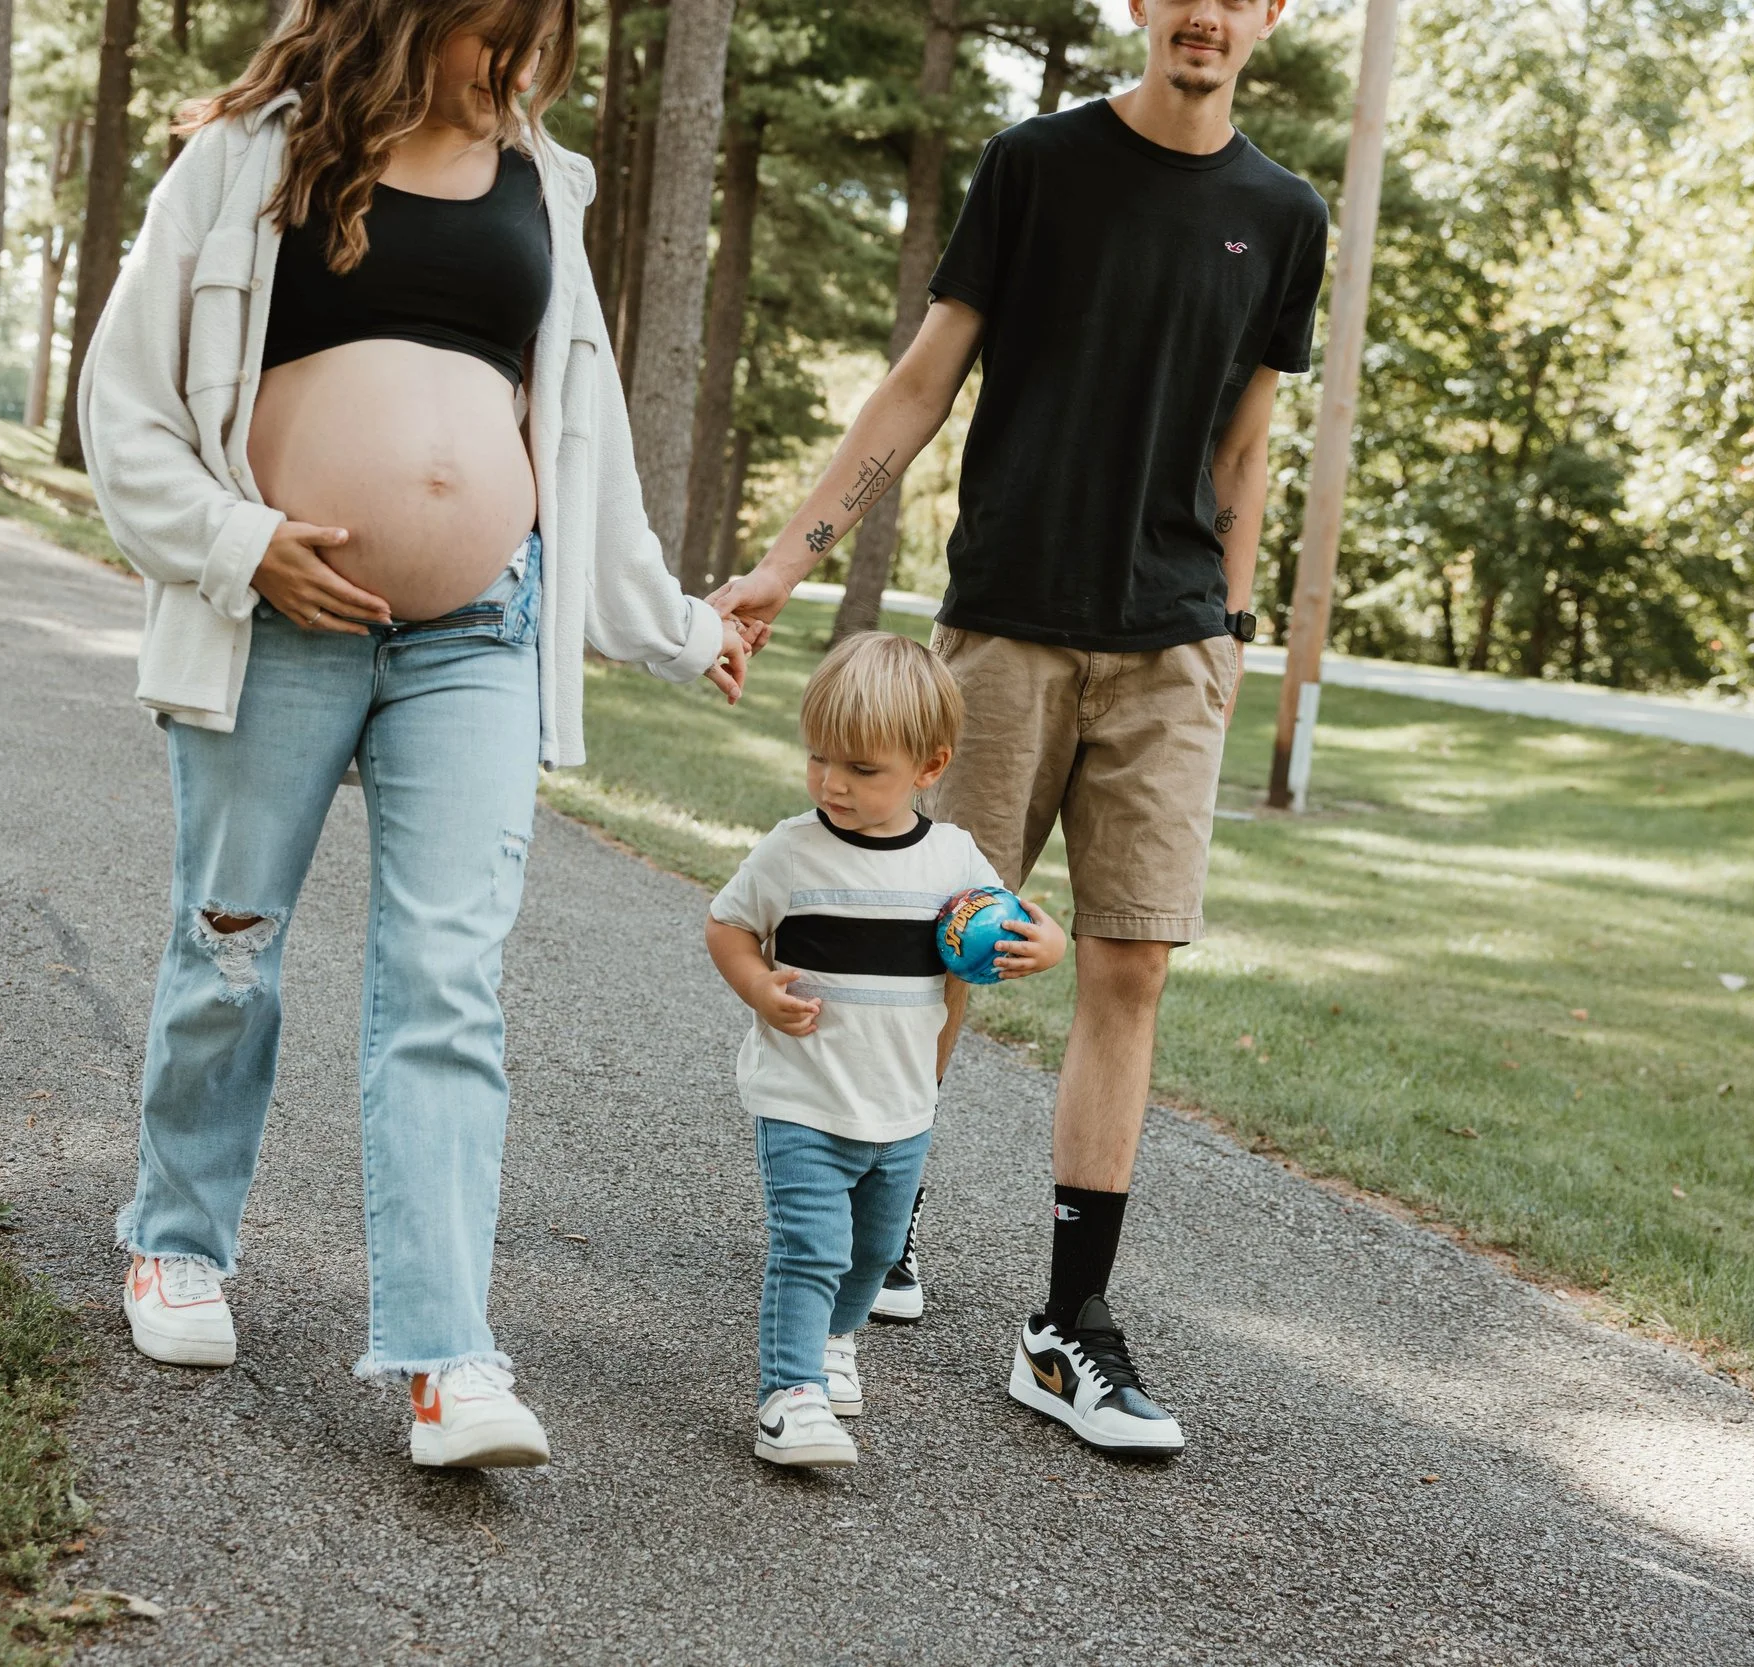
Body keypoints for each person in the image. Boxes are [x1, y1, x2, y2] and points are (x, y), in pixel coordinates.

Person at [77, 0, 749, 1470]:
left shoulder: (542, 184)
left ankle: (448, 1350)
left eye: (534, 29)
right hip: (282, 615)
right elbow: (120, 405)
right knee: (232, 938)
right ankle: (176, 1237)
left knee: (448, 974)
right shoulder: (250, 160)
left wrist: (679, 624)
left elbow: (581, 442)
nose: (509, 59)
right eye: (484, 28)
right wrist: (241, 538)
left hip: (479, 630)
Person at [711, 0, 1327, 1456]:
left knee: (1129, 966)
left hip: (1172, 643)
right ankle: (882, 1199)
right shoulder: (1036, 165)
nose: (1205, 11)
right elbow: (924, 381)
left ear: (1268, 16)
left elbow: (1246, 439)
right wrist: (792, 556)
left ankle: (1067, 1324)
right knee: (942, 930)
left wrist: (1227, 635)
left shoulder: (1283, 214)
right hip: (1006, 627)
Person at [705, 634, 1065, 1466]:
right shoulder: (791, 850)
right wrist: (760, 988)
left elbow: (1020, 926)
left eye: (862, 769)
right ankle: (788, 1396)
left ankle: (836, 1338)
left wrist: (1048, 949)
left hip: (904, 1107)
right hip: (802, 1095)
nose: (833, 782)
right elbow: (727, 925)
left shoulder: (953, 861)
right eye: (819, 759)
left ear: (928, 766)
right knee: (813, 1246)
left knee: (873, 1252)